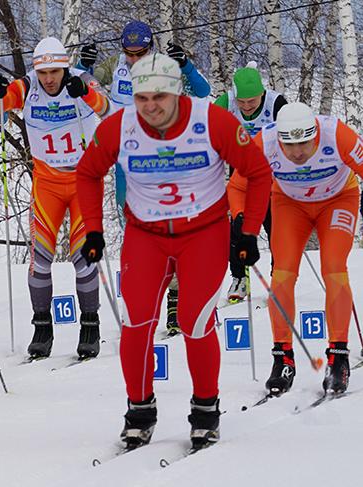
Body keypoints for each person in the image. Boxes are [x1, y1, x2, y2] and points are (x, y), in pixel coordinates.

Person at [76, 53, 272, 450]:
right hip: (145, 235)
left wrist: (249, 232)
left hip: (203, 232)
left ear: (177, 93)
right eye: (142, 98)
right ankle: (139, 409)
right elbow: (88, 172)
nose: (150, 107)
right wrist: (93, 230)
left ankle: (205, 408)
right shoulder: (120, 125)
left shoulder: (211, 120)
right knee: (136, 321)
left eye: (159, 98)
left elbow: (258, 172)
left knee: (193, 320)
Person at [0, 36, 110, 360]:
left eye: (54, 72)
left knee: (83, 256)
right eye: (43, 72)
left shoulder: (80, 79)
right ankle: (42, 327)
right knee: (40, 259)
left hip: (83, 182)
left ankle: (90, 325)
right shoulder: (27, 86)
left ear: (64, 68)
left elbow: (109, 109)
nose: (49, 79)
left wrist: (86, 93)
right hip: (47, 183)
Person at [77, 21, 212, 334]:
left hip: (163, 156)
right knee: (135, 231)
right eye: (130, 53)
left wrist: (186, 66)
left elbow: (203, 91)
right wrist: (84, 64)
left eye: (141, 53)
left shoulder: (165, 67)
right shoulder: (115, 66)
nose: (135, 59)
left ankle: (176, 298)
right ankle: (144, 299)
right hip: (127, 157)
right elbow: (77, 83)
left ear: (152, 47)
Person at [227, 102, 363, 395]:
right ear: (279, 139)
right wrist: (240, 220)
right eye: (289, 145)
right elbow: (237, 186)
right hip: (290, 205)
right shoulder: (264, 142)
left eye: (305, 143)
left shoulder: (336, 134)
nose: (298, 152)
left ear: (316, 135)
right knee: (283, 274)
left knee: (334, 267)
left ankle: (338, 357)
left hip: (338, 200)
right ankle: (283, 358)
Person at [215, 64, 284, 303]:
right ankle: (239, 278)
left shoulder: (276, 104)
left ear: (262, 93)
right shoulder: (226, 102)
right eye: (242, 101)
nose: (246, 106)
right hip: (240, 175)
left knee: (276, 229)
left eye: (252, 101)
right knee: (238, 228)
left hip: (272, 175)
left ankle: (279, 279)